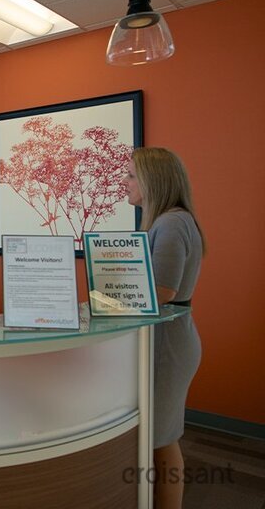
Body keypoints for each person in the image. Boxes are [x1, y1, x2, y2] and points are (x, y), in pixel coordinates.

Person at [124, 147, 204, 509]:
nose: (124, 184)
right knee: (160, 439)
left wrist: (108, 300)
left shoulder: (171, 222)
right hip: (169, 340)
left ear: (151, 182)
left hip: (167, 345)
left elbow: (162, 290)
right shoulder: (169, 221)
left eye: (130, 176)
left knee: (162, 441)